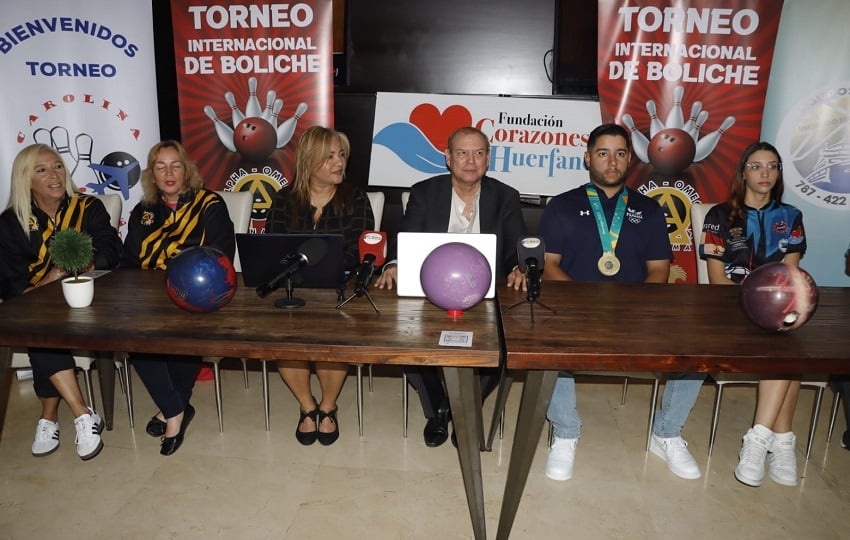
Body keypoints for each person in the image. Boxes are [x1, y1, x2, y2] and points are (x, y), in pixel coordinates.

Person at [540, 123, 705, 482]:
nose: (611, 162)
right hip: (574, 310)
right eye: (602, 153)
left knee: (697, 348)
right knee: (543, 343)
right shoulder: (561, 206)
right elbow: (549, 267)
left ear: (630, 159)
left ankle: (667, 433)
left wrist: (633, 310)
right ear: (587, 158)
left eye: (619, 153)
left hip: (635, 315)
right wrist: (582, 306)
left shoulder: (648, 209)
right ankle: (565, 432)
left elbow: (660, 269)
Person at [375, 126, 527, 448]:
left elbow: (516, 246)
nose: (470, 161)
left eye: (478, 153)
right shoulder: (424, 192)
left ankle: (465, 408)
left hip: (486, 294)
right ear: (447, 158)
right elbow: (407, 239)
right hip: (430, 292)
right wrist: (394, 264)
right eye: (462, 153)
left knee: (506, 346)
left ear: (488, 158)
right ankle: (438, 410)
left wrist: (518, 267)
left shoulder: (506, 196)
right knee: (402, 342)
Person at [0, 143, 122, 460]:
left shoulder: (88, 207)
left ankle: (49, 416)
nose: (54, 175)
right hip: (37, 305)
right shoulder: (10, 222)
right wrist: (47, 281)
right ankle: (82, 412)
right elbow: (11, 283)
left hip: (89, 302)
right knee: (39, 326)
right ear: (25, 179)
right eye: (42, 170)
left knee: (39, 331)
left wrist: (79, 263)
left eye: (57, 166)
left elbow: (112, 248)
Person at [700, 141, 807, 486]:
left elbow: (789, 278)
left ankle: (763, 439)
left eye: (772, 166)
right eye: (756, 166)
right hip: (729, 309)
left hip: (775, 310)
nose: (765, 173)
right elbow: (717, 280)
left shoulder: (791, 217)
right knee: (784, 347)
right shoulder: (720, 215)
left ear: (778, 173)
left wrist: (774, 309)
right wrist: (756, 306)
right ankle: (781, 440)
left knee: (787, 341)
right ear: (743, 173)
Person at [121, 140, 235, 456]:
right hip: (151, 295)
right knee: (134, 338)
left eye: (176, 165)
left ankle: (171, 412)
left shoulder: (210, 204)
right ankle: (176, 409)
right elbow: (131, 259)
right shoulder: (143, 212)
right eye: (161, 166)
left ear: (187, 170)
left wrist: (166, 259)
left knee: (185, 332)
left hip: (200, 295)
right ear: (152, 174)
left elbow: (218, 254)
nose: (169, 172)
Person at [265, 125, 374, 446]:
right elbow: (272, 247)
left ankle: (328, 406)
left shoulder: (355, 197)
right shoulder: (285, 198)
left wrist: (333, 266)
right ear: (309, 161)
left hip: (339, 287)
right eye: (329, 157)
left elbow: (362, 248)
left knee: (332, 335)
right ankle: (306, 405)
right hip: (291, 288)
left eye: (341, 155)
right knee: (283, 337)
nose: (339, 162)